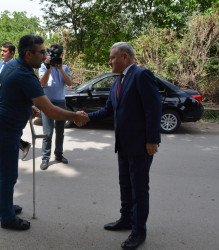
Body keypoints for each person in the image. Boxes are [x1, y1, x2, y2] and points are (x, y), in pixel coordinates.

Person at [0, 34, 89, 231]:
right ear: (28, 54)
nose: (45, 56)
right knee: (9, 175)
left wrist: (28, 107)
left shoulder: (14, 65)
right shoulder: (24, 74)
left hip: (4, 126)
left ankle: (2, 207)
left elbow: (12, 95)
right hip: (4, 128)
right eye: (42, 52)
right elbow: (50, 110)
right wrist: (75, 115)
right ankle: (7, 218)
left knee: (6, 173)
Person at [79, 42, 161, 249]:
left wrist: (152, 140)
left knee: (139, 189)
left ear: (125, 57)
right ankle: (126, 219)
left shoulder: (141, 75)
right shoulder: (117, 83)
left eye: (112, 57)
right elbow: (108, 110)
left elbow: (154, 109)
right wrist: (85, 117)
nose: (109, 61)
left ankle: (138, 231)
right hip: (122, 144)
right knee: (125, 185)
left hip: (141, 145)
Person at [0, 42, 31, 165]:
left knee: (1, 129)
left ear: (12, 53)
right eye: (1, 50)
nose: (2, 53)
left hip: (7, 102)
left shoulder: (17, 67)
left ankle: (5, 154)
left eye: (5, 51)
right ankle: (22, 145)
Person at [39, 44, 73, 170]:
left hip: (61, 102)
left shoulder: (64, 67)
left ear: (61, 56)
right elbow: (42, 83)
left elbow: (69, 83)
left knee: (60, 131)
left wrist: (60, 69)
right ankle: (45, 158)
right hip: (47, 102)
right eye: (52, 55)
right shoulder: (43, 67)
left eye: (57, 55)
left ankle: (59, 155)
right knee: (47, 132)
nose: (54, 58)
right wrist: (48, 68)